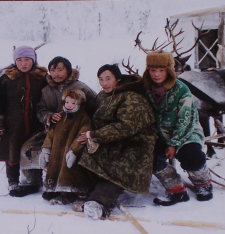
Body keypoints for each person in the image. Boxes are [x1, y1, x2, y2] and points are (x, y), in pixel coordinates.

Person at [75, 64, 157, 220]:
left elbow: (128, 126)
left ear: (118, 79)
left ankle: (99, 201)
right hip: (111, 139)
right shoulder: (104, 95)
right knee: (85, 157)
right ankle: (86, 191)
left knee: (118, 168)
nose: (104, 83)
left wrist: (94, 134)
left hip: (135, 143)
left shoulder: (132, 96)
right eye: (101, 79)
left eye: (108, 79)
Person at [10, 56, 97, 198]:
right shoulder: (46, 90)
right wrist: (48, 116)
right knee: (27, 147)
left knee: (65, 150)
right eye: (52, 70)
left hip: (74, 133)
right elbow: (40, 109)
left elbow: (95, 107)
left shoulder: (81, 88)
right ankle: (31, 182)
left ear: (68, 71)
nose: (56, 74)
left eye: (60, 70)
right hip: (51, 130)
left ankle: (67, 185)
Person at [142, 50, 213, 206]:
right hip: (159, 135)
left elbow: (185, 120)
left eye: (161, 70)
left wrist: (174, 143)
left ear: (169, 70)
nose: (156, 74)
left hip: (186, 133)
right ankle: (176, 189)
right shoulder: (145, 89)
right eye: (153, 70)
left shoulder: (181, 89)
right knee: (149, 156)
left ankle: (203, 183)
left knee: (191, 155)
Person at [0, 45, 48, 196]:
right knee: (12, 152)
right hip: (13, 124)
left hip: (36, 122)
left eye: (27, 60)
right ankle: (13, 181)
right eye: (20, 60)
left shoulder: (41, 78)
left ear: (33, 60)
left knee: (33, 151)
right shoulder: (6, 79)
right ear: (15, 61)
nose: (24, 63)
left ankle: (36, 179)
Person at [39, 89, 95, 205]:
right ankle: (61, 192)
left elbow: (82, 135)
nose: (69, 106)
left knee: (72, 172)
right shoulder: (60, 116)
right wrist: (46, 149)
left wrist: (74, 151)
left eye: (73, 103)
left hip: (71, 152)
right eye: (67, 102)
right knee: (57, 169)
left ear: (79, 104)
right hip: (57, 152)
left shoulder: (83, 118)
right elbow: (51, 134)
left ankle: (79, 193)